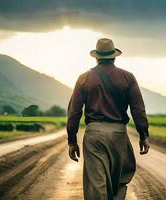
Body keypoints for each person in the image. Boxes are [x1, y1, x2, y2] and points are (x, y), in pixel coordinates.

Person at [67, 38, 150, 200]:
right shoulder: (128, 78)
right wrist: (143, 135)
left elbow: (74, 112)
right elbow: (138, 110)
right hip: (118, 135)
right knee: (119, 181)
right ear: (114, 56)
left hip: (94, 135)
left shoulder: (83, 78)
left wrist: (72, 141)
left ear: (96, 57)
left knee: (96, 184)